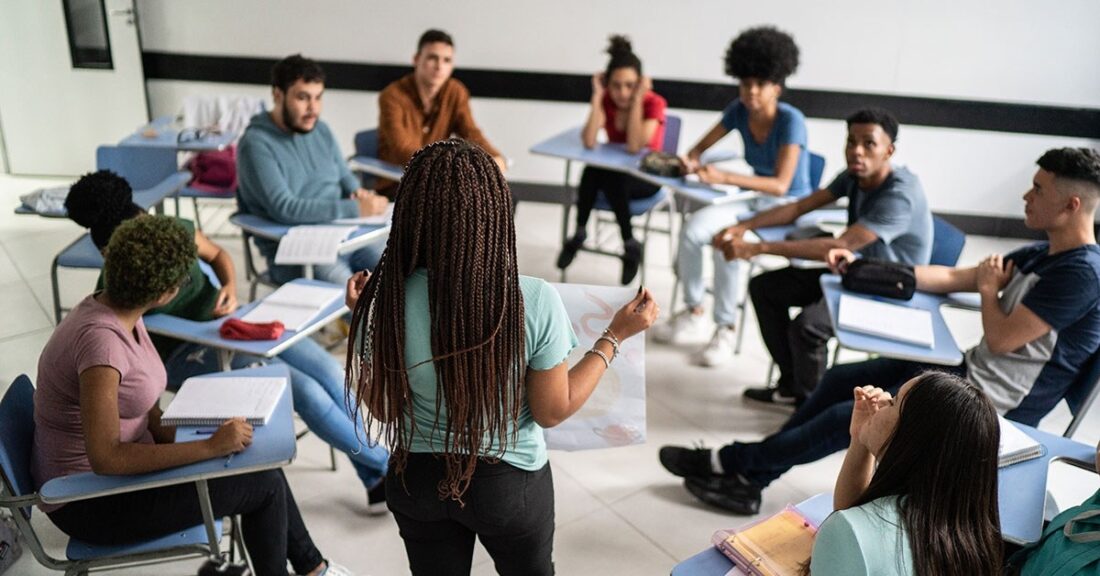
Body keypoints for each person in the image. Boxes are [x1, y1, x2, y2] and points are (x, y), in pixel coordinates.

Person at [659, 147, 1100, 515]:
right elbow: (950, 278)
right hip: (968, 374)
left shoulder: (1082, 274)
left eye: (1038, 189)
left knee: (848, 421)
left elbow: (1003, 338)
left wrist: (989, 291)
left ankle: (736, 464)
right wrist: (869, 267)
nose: (1026, 195)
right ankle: (751, 472)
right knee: (839, 381)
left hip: (992, 408)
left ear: (1071, 205)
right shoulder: (1044, 253)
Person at [344, 139, 658, 576]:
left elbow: (382, 407)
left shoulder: (381, 301)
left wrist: (362, 319)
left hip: (414, 481)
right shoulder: (531, 298)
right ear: (492, 211)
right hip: (506, 486)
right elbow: (552, 410)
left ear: (409, 212)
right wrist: (613, 337)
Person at [31, 216, 351, 576]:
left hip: (117, 473)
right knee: (263, 485)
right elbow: (106, 457)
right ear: (164, 293)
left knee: (260, 466)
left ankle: (314, 568)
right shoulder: (101, 344)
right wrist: (208, 448)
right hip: (90, 501)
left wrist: (189, 436)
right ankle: (313, 568)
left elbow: (141, 409)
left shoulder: (119, 309)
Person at [64, 170, 390, 513]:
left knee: (327, 369)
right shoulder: (117, 292)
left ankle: (378, 477)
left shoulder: (173, 232)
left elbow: (219, 255)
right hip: (187, 349)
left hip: (230, 324)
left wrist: (229, 289)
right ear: (114, 254)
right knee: (303, 391)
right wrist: (210, 332)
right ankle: (390, 469)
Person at [737, 108, 931, 405]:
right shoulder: (854, 175)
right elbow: (799, 207)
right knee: (764, 288)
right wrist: (744, 227)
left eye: (869, 144)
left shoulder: (899, 194)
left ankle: (811, 410)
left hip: (888, 287)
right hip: (854, 271)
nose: (857, 151)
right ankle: (792, 386)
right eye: (851, 142)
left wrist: (757, 248)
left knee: (808, 327)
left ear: (889, 151)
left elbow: (840, 244)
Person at [653, 26, 812, 365]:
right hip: (753, 198)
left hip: (787, 207)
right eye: (745, 83)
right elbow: (699, 148)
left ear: (777, 86)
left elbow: (782, 185)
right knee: (694, 230)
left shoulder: (791, 121)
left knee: (728, 242)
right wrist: (690, 161)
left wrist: (723, 176)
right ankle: (694, 309)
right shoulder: (738, 111)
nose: (751, 91)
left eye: (760, 84)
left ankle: (724, 327)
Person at [808, 372, 1002, 575]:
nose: (881, 402)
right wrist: (860, 438)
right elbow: (853, 517)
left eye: (893, 401)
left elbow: (851, 532)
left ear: (913, 439)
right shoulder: (969, 535)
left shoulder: (848, 533)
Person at [237, 54, 389, 285]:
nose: (313, 108)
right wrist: (354, 208)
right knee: (357, 300)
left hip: (343, 234)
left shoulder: (320, 130)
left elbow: (343, 174)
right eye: (303, 98)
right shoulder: (256, 144)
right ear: (278, 95)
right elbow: (284, 208)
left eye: (318, 98)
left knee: (400, 278)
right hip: (294, 249)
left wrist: (358, 192)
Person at [556, 35, 667, 285]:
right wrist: (597, 96)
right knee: (593, 170)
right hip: (615, 178)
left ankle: (625, 243)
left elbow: (634, 146)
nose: (622, 93)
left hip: (647, 178)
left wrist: (638, 100)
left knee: (608, 176)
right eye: (615, 85)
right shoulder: (607, 99)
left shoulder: (653, 103)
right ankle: (590, 234)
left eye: (629, 85)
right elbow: (589, 141)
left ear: (639, 84)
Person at [376, 29, 506, 197]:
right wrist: (448, 169)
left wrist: (493, 158)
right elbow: (402, 149)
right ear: (416, 60)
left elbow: (471, 133)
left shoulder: (455, 91)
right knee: (458, 205)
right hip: (401, 181)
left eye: (447, 60)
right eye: (432, 58)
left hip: (440, 179)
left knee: (503, 197)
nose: (439, 66)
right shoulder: (392, 95)